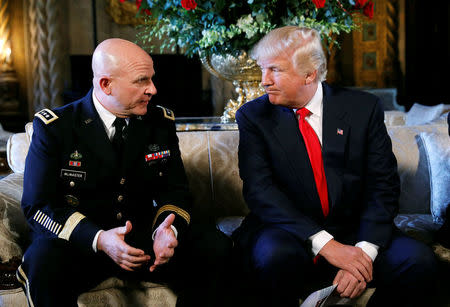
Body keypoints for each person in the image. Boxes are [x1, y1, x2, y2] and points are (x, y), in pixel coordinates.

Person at [17, 38, 231, 307]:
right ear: (106, 84)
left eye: (151, 79)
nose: (152, 89)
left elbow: (175, 190)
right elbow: (38, 206)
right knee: (42, 260)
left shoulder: (159, 122)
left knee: (214, 246)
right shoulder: (55, 127)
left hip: (142, 240)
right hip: (81, 244)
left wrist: (168, 232)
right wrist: (99, 239)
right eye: (141, 81)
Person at [232, 26, 437, 307]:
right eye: (262, 69)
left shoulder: (363, 109)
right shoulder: (254, 116)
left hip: (355, 231)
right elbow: (261, 192)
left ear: (310, 74)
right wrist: (328, 246)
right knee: (272, 257)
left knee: (419, 261)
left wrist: (362, 256)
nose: (264, 81)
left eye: (274, 70)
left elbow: (383, 186)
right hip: (289, 232)